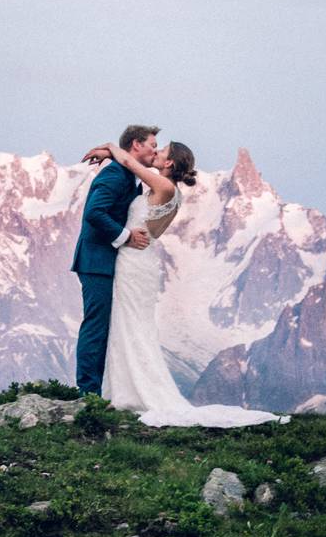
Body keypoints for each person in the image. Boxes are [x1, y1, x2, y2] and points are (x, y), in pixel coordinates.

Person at [80, 138, 291, 428]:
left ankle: (131, 392)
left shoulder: (164, 187)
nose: (156, 153)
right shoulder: (170, 191)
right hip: (138, 260)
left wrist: (108, 148)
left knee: (130, 325)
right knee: (128, 325)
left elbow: (129, 162)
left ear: (169, 163)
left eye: (162, 151)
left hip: (133, 260)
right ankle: (123, 390)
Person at [71, 125, 159, 396]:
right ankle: (88, 392)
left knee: (105, 325)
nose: (155, 150)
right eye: (152, 145)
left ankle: (99, 390)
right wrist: (126, 236)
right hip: (96, 261)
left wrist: (109, 149)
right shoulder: (115, 174)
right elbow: (95, 213)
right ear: (136, 145)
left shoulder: (127, 173)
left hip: (107, 261)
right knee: (96, 325)